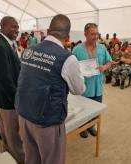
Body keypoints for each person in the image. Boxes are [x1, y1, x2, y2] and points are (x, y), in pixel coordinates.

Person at [15, 14, 85, 164]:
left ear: (47, 31)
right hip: (47, 120)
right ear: (67, 36)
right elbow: (79, 90)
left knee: (31, 158)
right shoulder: (67, 58)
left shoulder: (29, 50)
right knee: (52, 160)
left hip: (23, 115)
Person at [0, 16, 24, 163]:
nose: (16, 30)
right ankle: (18, 160)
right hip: (7, 100)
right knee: (12, 134)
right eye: (13, 27)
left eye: (17, 27)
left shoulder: (7, 44)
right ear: (3, 27)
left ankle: (9, 157)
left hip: (6, 98)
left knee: (8, 133)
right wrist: (17, 100)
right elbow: (5, 79)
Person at [73, 23, 112, 138]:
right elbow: (71, 67)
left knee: (95, 110)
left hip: (97, 87)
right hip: (84, 87)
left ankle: (91, 126)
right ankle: (82, 127)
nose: (95, 36)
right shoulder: (77, 50)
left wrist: (104, 67)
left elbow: (109, 61)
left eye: (97, 34)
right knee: (83, 109)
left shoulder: (102, 48)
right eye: (92, 34)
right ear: (85, 34)